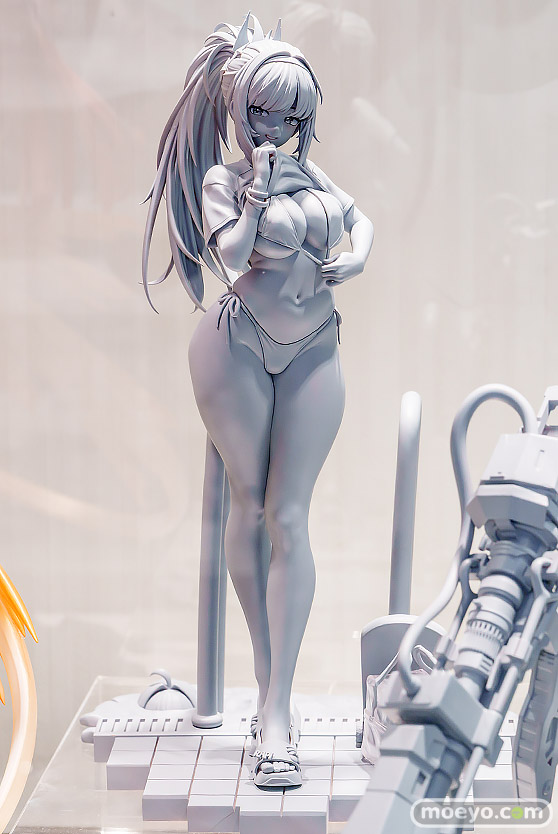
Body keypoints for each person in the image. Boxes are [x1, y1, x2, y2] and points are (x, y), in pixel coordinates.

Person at [142, 14, 374, 788]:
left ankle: (279, 697)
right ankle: (271, 691)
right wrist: (258, 193)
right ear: (238, 110)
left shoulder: (313, 176)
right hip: (237, 344)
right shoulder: (224, 181)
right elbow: (234, 255)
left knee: (291, 516)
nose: (276, 127)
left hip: (315, 346)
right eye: (264, 113)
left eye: (291, 113)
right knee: (250, 507)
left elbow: (360, 220)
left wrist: (357, 255)